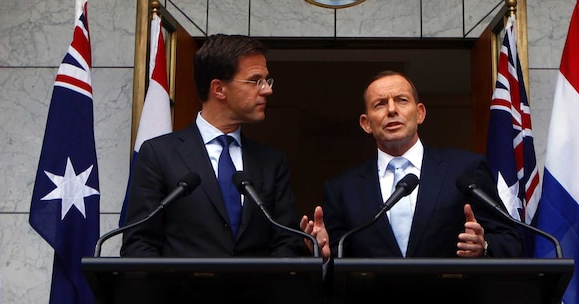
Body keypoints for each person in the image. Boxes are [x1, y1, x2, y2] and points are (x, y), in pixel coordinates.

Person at [121, 34, 327, 258]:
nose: (267, 90)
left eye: (267, 80)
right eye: (255, 80)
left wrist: (308, 247)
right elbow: (138, 243)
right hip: (181, 291)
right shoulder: (159, 154)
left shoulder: (272, 162)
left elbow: (285, 241)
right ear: (218, 89)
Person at [317, 70, 522, 258]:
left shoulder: (465, 170)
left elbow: (509, 239)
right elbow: (336, 256)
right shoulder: (342, 189)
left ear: (420, 113)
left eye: (402, 100)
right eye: (380, 104)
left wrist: (483, 246)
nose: (391, 110)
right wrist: (321, 254)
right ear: (366, 123)